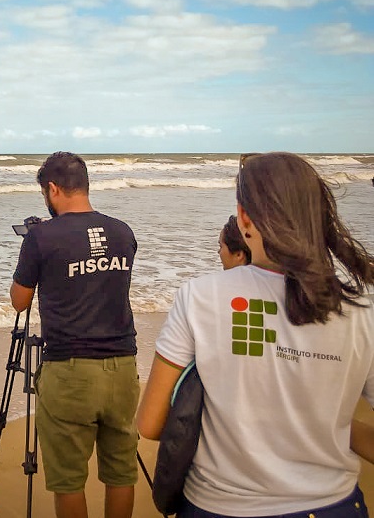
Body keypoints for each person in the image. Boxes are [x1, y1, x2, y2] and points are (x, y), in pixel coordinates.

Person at [137, 152, 374, 517]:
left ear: (244, 218)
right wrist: (330, 426)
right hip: (333, 506)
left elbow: (150, 423)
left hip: (219, 506)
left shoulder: (201, 296)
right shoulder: (362, 306)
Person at [10, 152, 139, 518]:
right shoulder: (123, 232)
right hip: (123, 367)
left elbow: (20, 301)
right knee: (121, 472)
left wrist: (33, 250)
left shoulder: (41, 238)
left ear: (52, 189)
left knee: (68, 480)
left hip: (69, 371)